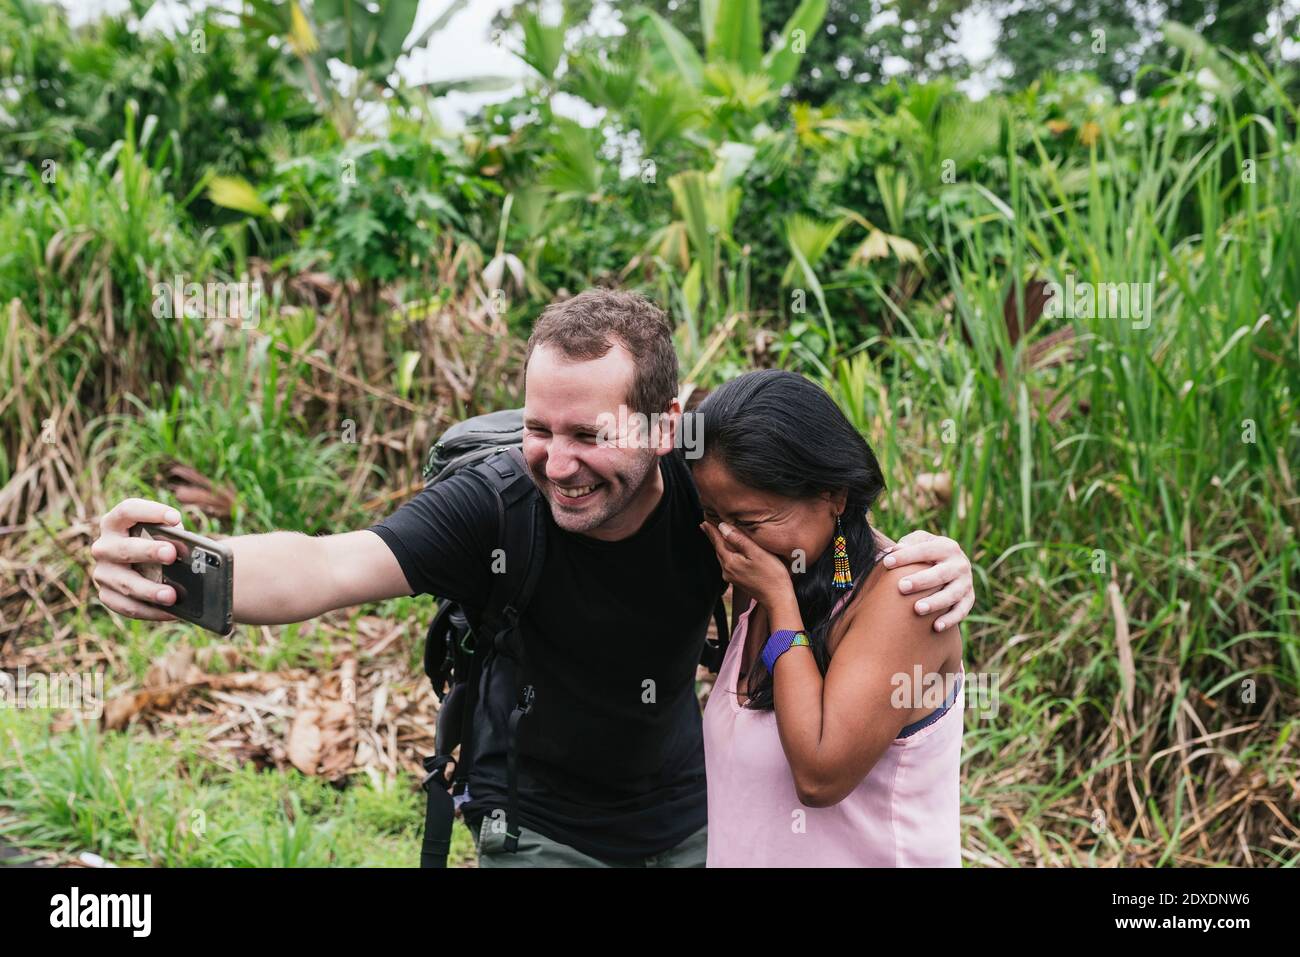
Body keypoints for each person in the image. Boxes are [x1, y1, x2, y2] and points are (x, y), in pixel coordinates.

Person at [90, 289, 975, 867]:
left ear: (667, 427)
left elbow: (817, 530)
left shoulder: (710, 496)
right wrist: (179, 571)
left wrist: (933, 565)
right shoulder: (495, 505)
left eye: (590, 434)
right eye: (541, 428)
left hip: (690, 816)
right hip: (539, 819)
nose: (560, 462)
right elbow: (327, 562)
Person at [693, 370, 965, 866]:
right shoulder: (765, 578)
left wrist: (780, 602)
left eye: (750, 522)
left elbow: (819, 776)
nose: (728, 541)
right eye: (714, 516)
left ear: (834, 495)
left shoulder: (904, 599)